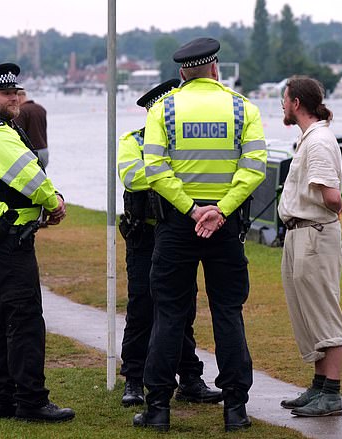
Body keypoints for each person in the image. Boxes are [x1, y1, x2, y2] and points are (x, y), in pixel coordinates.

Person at [133, 37, 267, 432]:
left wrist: (192, 210)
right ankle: (236, 409)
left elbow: (155, 170)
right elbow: (254, 168)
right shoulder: (244, 109)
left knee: (170, 313)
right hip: (224, 228)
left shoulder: (163, 109)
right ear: (215, 69)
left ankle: (157, 407)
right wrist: (220, 211)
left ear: (181, 73)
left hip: (177, 225)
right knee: (228, 312)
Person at [0, 63, 74, 422]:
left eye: (16, 92)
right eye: (7, 94)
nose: (15, 98)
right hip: (8, 239)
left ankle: (1, 399)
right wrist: (52, 200)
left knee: (2, 318)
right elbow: (28, 174)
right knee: (24, 319)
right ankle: (31, 401)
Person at [117, 79, 222, 408]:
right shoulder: (132, 141)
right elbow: (132, 177)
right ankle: (133, 379)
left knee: (182, 309)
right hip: (145, 235)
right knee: (142, 308)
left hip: (179, 233)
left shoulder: (182, 144)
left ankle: (189, 377)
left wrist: (168, 170)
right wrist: (167, 170)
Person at [277, 76, 342, 417]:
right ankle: (319, 387)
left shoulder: (318, 141)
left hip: (313, 234)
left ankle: (331, 394)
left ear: (295, 103)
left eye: (284, 99)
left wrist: (333, 212)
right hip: (300, 233)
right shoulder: (309, 139)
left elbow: (332, 196)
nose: (282, 104)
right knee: (307, 313)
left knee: (323, 310)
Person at [14, 90, 48, 168]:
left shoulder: (21, 111)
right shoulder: (41, 108)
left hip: (31, 153)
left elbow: (18, 134)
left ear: (19, 97)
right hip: (44, 150)